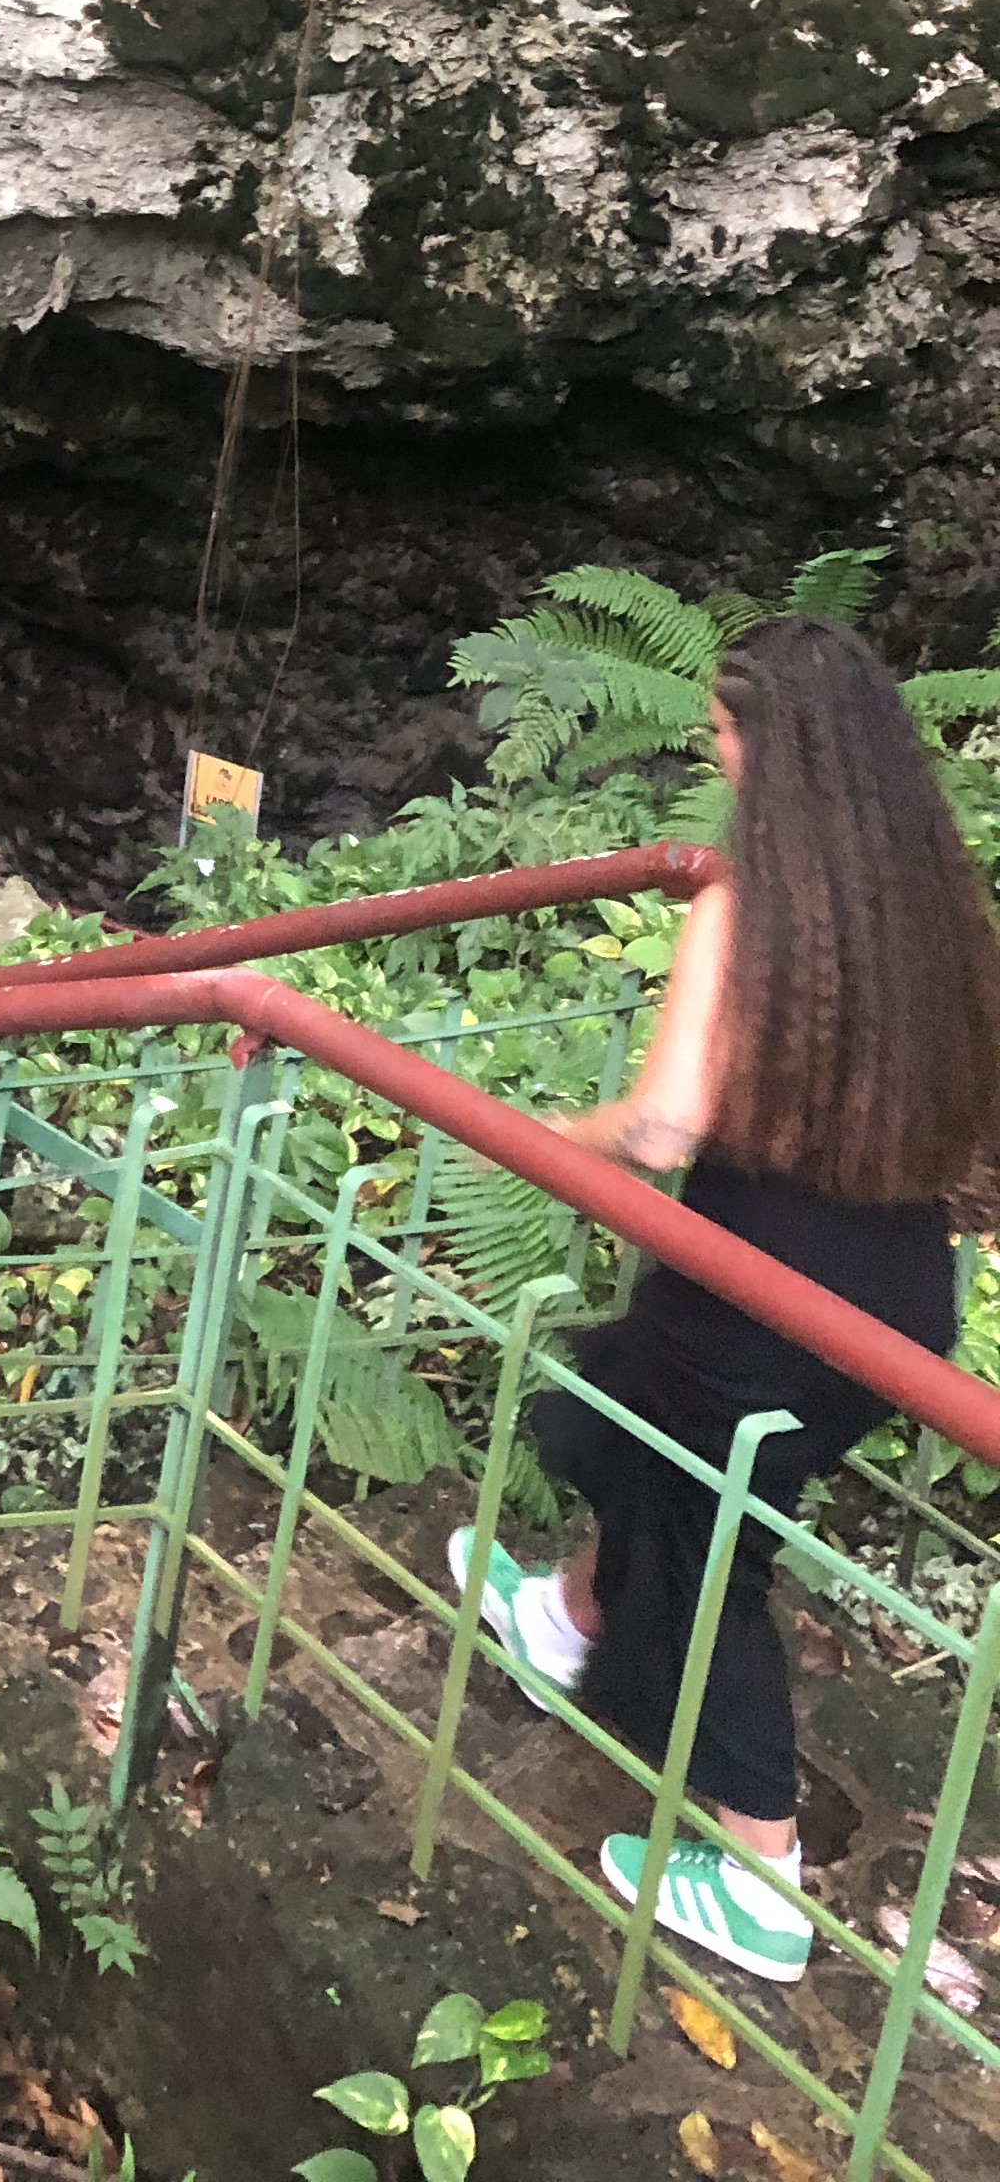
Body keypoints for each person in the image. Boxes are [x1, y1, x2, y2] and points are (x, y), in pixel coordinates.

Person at [452, 617, 1000, 1984]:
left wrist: (539, 1137)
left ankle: (761, 1872)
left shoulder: (746, 914)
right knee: (643, 1442)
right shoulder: (935, 920)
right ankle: (565, 1622)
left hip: (758, 1295)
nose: (716, 760)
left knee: (705, 1548)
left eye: (722, 736)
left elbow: (663, 1125)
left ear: (776, 751)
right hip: (892, 1299)